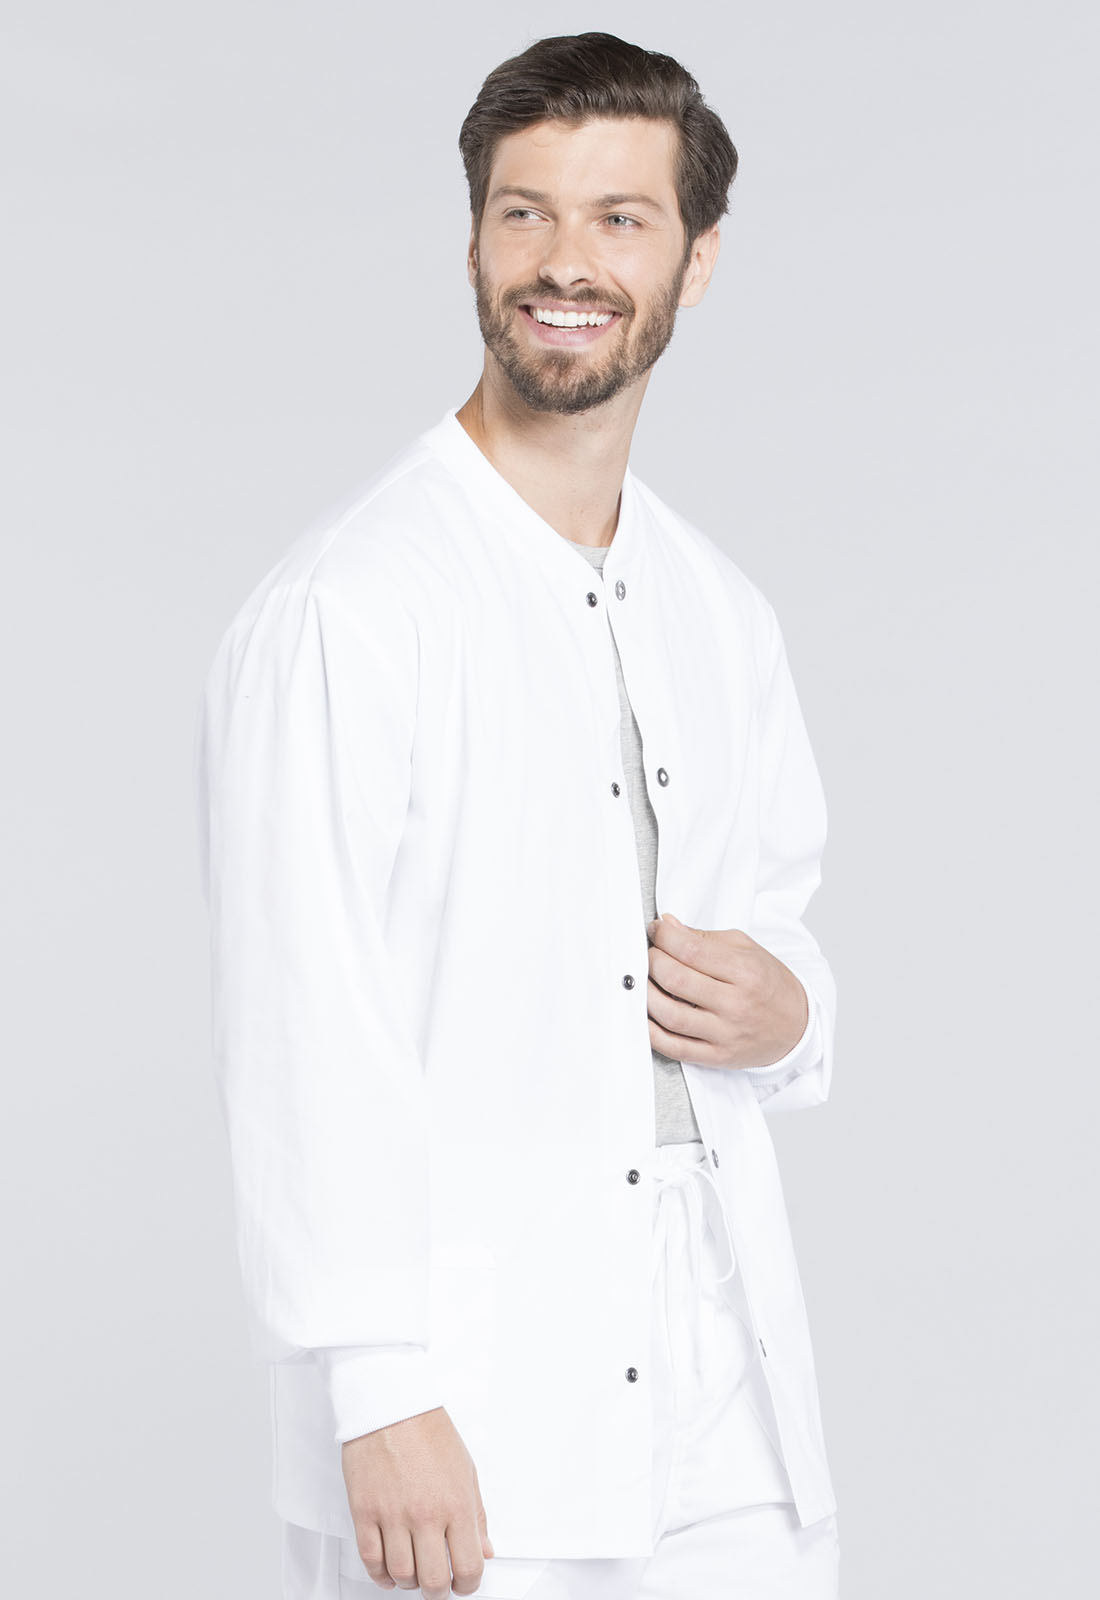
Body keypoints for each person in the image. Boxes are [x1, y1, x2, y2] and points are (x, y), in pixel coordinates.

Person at [195, 30, 841, 1600]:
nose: (566, 261)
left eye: (620, 217)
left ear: (696, 260)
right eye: (524, 213)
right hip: (475, 1402)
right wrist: (377, 1393)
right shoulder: (352, 608)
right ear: (475, 242)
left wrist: (796, 1011)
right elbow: (302, 1016)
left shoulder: (721, 610)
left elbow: (779, 927)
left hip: (731, 1392)